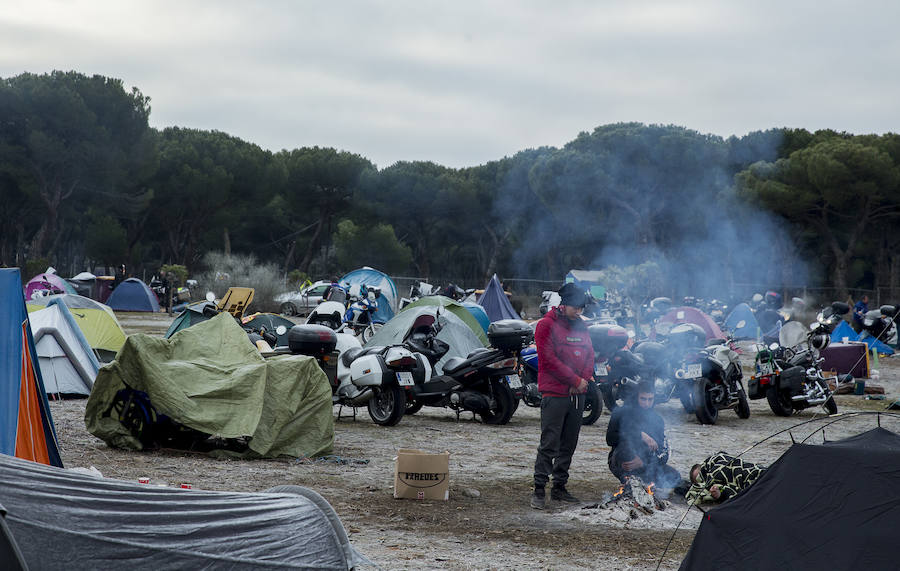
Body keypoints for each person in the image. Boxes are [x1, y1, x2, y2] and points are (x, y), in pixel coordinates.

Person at [531, 282, 594, 509]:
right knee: (550, 442)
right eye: (576, 308)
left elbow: (589, 354)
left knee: (569, 443)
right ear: (564, 304)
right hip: (555, 393)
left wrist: (584, 379)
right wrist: (574, 380)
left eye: (581, 309)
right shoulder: (545, 325)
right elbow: (548, 360)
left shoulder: (581, 326)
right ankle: (539, 489)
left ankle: (559, 487)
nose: (579, 312)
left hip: (578, 393)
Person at [606, 380, 681, 490]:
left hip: (646, 463)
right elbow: (610, 439)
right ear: (637, 397)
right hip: (623, 458)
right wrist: (638, 434)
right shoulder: (621, 412)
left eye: (650, 399)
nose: (646, 403)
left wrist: (643, 462)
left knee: (674, 477)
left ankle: (645, 482)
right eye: (643, 399)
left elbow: (663, 452)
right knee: (626, 449)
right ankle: (629, 482)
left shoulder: (657, 419)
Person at [685, 452, 766, 505]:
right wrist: (718, 494)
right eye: (700, 479)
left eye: (701, 473)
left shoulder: (717, 461)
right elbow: (730, 492)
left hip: (760, 473)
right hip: (758, 486)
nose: (701, 477)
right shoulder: (714, 486)